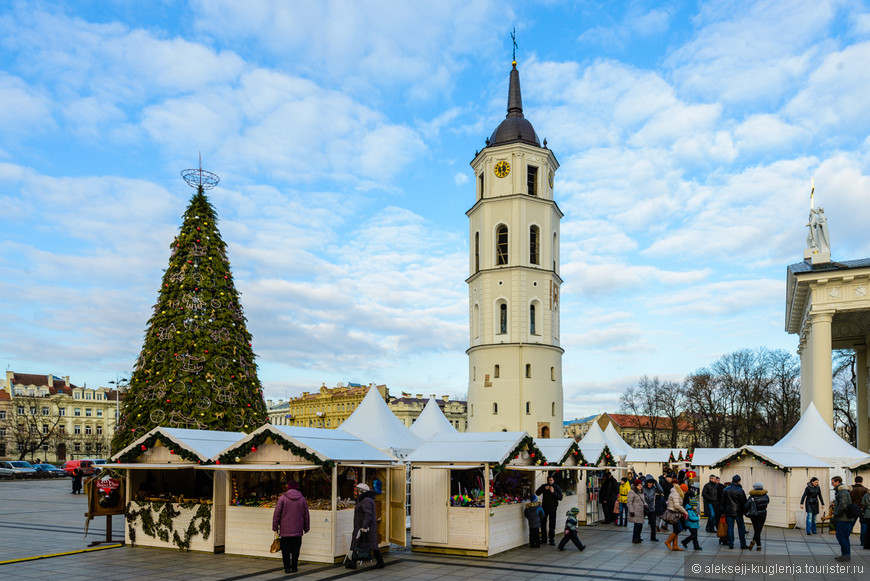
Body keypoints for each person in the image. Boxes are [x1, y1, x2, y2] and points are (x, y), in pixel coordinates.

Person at [271, 480, 310, 574]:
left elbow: (277, 514)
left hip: (285, 531)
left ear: (288, 487)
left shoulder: (282, 498)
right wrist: (306, 527)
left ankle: (287, 568)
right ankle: (295, 567)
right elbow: (306, 515)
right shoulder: (302, 499)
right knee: (296, 550)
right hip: (298, 531)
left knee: (285, 550)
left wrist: (275, 527)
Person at [347, 483, 384, 570]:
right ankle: (353, 562)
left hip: (365, 527)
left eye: (358, 490)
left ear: (361, 492)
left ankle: (380, 562)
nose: (357, 492)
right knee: (360, 543)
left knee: (365, 544)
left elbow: (368, 514)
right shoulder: (367, 499)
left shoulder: (365, 500)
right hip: (363, 526)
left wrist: (364, 526)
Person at [722, 475, 749, 550]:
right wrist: (745, 511)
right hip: (738, 512)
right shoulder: (740, 490)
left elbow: (722, 502)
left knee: (730, 528)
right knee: (741, 528)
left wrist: (723, 511)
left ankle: (731, 543)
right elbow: (744, 502)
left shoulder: (726, 489)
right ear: (738, 481)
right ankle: (743, 544)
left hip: (728, 511)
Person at [536, 475, 563, 545]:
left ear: (553, 481)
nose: (549, 481)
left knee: (552, 524)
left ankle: (552, 540)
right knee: (543, 523)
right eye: (548, 480)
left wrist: (553, 492)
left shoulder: (556, 487)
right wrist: (544, 489)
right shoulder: (544, 486)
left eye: (551, 480)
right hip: (544, 507)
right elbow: (537, 493)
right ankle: (544, 539)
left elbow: (560, 497)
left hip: (553, 508)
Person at [831, 475, 852, 562]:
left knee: (841, 536)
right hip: (845, 518)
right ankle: (846, 554)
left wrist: (836, 513)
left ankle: (846, 555)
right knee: (844, 536)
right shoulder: (842, 491)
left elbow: (843, 505)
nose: (831, 484)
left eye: (832, 482)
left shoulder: (842, 492)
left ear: (837, 482)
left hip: (843, 518)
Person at [664, 481, 688, 551]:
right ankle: (668, 541)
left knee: (676, 529)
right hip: (673, 513)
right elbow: (677, 505)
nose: (685, 493)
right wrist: (685, 512)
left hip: (676, 513)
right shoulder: (676, 494)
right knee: (679, 529)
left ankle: (675, 545)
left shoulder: (677, 492)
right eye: (685, 491)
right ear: (682, 490)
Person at [746, 482, 769, 551]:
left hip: (754, 515)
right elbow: (767, 502)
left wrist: (745, 512)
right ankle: (757, 545)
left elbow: (747, 505)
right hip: (763, 514)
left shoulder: (752, 497)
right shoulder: (766, 496)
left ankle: (756, 543)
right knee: (759, 530)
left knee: (757, 529)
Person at [627, 478, 647, 544]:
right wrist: (631, 511)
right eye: (639, 485)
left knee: (640, 525)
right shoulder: (632, 492)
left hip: (641, 511)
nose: (640, 486)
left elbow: (643, 500)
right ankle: (635, 538)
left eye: (641, 485)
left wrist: (645, 505)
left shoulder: (641, 491)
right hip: (635, 511)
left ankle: (638, 537)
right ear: (636, 486)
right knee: (637, 525)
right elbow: (629, 502)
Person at [642, 476, 661, 542]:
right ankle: (638, 536)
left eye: (651, 483)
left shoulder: (654, 488)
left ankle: (653, 537)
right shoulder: (643, 488)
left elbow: (661, 490)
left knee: (653, 524)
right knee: (640, 522)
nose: (650, 484)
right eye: (649, 483)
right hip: (644, 507)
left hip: (651, 508)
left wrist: (656, 483)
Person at [851, 476, 868, 546]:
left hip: (853, 508)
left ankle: (845, 539)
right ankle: (863, 541)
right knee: (863, 525)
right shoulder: (865, 490)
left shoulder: (852, 489)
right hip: (862, 509)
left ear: (855, 481)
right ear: (862, 481)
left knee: (850, 524)